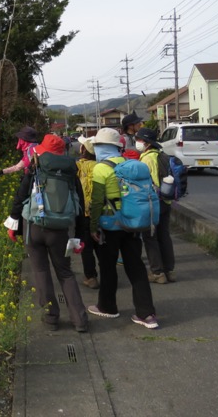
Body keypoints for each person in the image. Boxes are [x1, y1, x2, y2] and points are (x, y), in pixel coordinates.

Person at [87, 127, 159, 329]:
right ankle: (147, 314)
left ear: (101, 147)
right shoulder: (129, 163)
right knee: (136, 267)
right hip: (132, 224)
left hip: (110, 225)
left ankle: (108, 307)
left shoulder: (100, 168)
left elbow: (96, 201)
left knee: (108, 267)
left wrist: (93, 227)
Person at [23, 134, 89, 333]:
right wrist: (80, 236)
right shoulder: (70, 174)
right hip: (60, 231)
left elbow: (20, 199)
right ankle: (80, 320)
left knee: (41, 272)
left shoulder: (35, 169)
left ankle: (51, 317)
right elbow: (81, 207)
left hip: (35, 227)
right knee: (65, 273)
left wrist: (14, 225)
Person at [135, 127, 176, 284]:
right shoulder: (162, 155)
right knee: (164, 235)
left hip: (153, 202)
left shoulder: (147, 159)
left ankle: (157, 273)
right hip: (166, 201)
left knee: (150, 237)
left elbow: (149, 184)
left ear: (145, 143)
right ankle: (170, 271)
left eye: (139, 140)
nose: (137, 142)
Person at [76, 135, 99, 289]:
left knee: (86, 247)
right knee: (101, 244)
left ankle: (91, 277)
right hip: (99, 210)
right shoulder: (100, 165)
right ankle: (107, 272)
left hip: (83, 211)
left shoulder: (77, 166)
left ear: (83, 149)